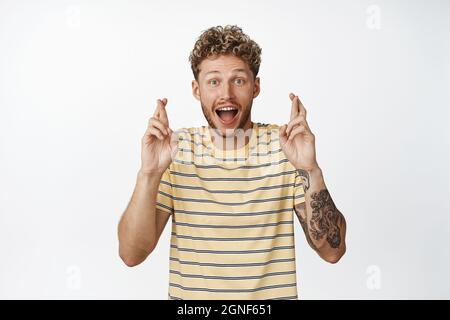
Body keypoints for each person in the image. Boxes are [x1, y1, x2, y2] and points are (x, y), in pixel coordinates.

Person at [118, 25, 347, 300]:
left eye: (238, 80)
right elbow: (131, 255)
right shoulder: (175, 150)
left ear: (256, 87)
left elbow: (332, 251)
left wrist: (310, 169)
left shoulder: (286, 147)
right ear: (196, 89)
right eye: (213, 81)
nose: (225, 93)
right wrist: (149, 173)